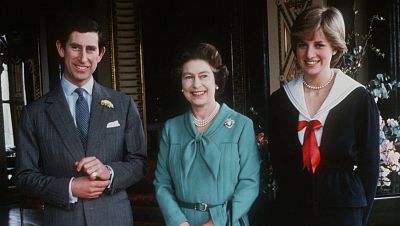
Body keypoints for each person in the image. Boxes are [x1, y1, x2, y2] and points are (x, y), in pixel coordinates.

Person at [15, 15, 148, 226]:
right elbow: (24, 176)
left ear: (101, 53)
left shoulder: (123, 105)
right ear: (61, 49)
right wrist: (70, 187)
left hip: (114, 219)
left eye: (90, 49)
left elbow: (139, 163)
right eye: (75, 47)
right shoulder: (34, 113)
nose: (83, 58)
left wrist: (109, 172)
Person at [268, 6, 380, 226]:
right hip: (292, 213)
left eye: (319, 45)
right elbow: (280, 167)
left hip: (345, 214)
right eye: (302, 45)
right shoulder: (280, 101)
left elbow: (370, 169)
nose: (309, 54)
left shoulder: (358, 99)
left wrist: (358, 218)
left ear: (335, 48)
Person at [154, 42, 260, 226]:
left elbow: (250, 183)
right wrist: (178, 222)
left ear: (216, 81)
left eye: (204, 76)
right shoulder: (171, 128)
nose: (196, 84)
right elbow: (162, 183)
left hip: (227, 222)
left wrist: (216, 222)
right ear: (181, 84)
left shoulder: (241, 126)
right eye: (188, 77)